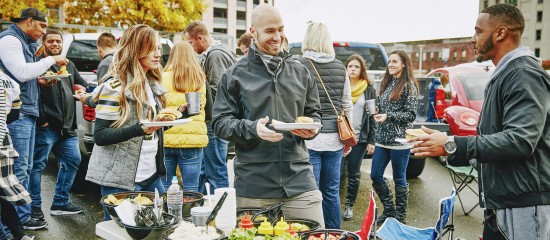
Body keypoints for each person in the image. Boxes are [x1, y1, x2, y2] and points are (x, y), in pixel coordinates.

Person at [411, 4, 550, 239]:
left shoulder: (523, 74)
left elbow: (521, 141)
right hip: (502, 204)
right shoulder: (505, 73)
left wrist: (451, 144)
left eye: (478, 31)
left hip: (523, 207)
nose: (472, 39)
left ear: (500, 33)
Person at [212, 4, 325, 228]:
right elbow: (220, 123)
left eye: (280, 29)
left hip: (300, 180)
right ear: (253, 31)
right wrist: (252, 129)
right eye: (270, 31)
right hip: (254, 185)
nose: (277, 36)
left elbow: (315, 114)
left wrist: (313, 127)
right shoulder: (234, 75)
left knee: (317, 234)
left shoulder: (301, 71)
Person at [84, 24, 168, 220]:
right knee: (120, 233)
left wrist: (172, 118)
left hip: (151, 175)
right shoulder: (115, 87)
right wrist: (140, 129)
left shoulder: (152, 85)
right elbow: (100, 136)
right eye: (151, 48)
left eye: (158, 48)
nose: (157, 54)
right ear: (136, 49)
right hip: (119, 179)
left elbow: (151, 131)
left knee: (159, 226)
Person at [0, 7, 68, 231]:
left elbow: (20, 76)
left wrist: (39, 81)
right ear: (29, 21)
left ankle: (22, 218)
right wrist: (50, 60)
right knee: (19, 169)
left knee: (26, 167)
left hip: (27, 112)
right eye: (42, 25)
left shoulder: (23, 42)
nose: (44, 31)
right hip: (17, 114)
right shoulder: (10, 40)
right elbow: (20, 72)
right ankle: (17, 223)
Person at [28, 29, 88, 221]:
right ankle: (34, 208)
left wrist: (81, 91)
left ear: (62, 44)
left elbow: (80, 83)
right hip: (46, 126)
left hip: (67, 127)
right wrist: (41, 119)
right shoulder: (38, 65)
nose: (55, 44)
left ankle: (60, 203)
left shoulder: (68, 65)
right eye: (51, 41)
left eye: (58, 42)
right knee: (37, 167)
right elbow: (28, 91)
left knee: (73, 161)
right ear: (44, 44)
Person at [297, 22, 352, 229]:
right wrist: (348, 137)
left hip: (309, 138)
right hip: (335, 140)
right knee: (332, 191)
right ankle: (335, 233)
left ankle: (315, 233)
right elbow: (347, 105)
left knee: (312, 192)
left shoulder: (300, 65)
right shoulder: (340, 66)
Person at [183, 20, 236, 194]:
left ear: (199, 37)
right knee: (210, 169)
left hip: (215, 121)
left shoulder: (216, 55)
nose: (190, 48)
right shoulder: (221, 51)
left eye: (190, 43)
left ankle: (221, 213)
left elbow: (217, 90)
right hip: (219, 120)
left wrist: (197, 94)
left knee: (216, 171)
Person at [371, 49, 418, 224]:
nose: (390, 64)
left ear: (404, 64)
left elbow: (411, 115)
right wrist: (378, 111)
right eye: (389, 61)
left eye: (394, 62)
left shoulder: (409, 85)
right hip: (382, 140)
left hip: (400, 141)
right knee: (375, 175)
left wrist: (388, 116)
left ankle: (400, 217)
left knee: (400, 179)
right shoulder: (388, 83)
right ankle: (389, 210)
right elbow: (386, 108)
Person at [160, 41, 208, 192]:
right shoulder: (199, 78)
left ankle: (167, 215)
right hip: (192, 139)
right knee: (191, 188)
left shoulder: (161, 77)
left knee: (165, 186)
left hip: (166, 137)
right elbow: (204, 105)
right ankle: (190, 215)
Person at [342, 54, 377, 221]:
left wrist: (372, 140)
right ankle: (332, 204)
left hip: (359, 139)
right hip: (341, 137)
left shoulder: (368, 90)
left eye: (356, 66)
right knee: (338, 172)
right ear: (346, 69)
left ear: (362, 69)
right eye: (350, 66)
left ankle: (349, 205)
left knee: (354, 173)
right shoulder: (341, 86)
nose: (353, 69)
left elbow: (372, 117)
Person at [0, 70, 34, 240]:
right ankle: (19, 235)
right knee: (3, 191)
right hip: (3, 141)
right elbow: (14, 114)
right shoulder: (9, 81)